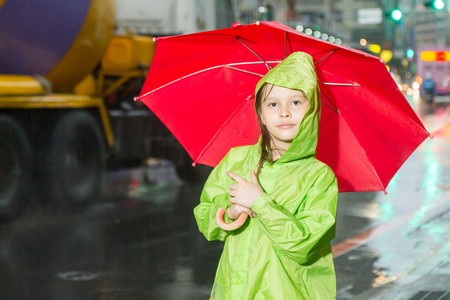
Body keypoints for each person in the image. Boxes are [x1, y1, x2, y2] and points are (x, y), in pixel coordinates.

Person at [193, 52, 338, 299]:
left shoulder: (319, 177)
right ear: (260, 114)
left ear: (312, 110)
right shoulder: (236, 159)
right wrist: (230, 212)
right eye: (273, 104)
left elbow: (304, 245)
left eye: (296, 103)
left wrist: (259, 202)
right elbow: (206, 218)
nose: (284, 112)